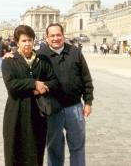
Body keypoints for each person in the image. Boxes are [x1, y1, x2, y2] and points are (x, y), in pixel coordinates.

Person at [2, 25, 59, 166]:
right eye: (24, 40)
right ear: (17, 42)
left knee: (35, 153)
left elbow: (54, 82)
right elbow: (11, 86)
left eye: (30, 40)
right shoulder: (9, 61)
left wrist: (43, 87)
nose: (27, 44)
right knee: (15, 153)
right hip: (16, 113)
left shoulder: (42, 61)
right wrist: (34, 84)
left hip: (37, 113)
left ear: (34, 41)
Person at [39, 23, 94, 166]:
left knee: (77, 147)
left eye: (58, 35)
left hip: (74, 107)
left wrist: (88, 102)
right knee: (54, 148)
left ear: (63, 36)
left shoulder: (75, 52)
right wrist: (11, 54)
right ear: (47, 38)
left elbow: (86, 78)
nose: (56, 38)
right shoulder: (40, 55)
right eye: (52, 35)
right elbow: (23, 61)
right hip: (52, 109)